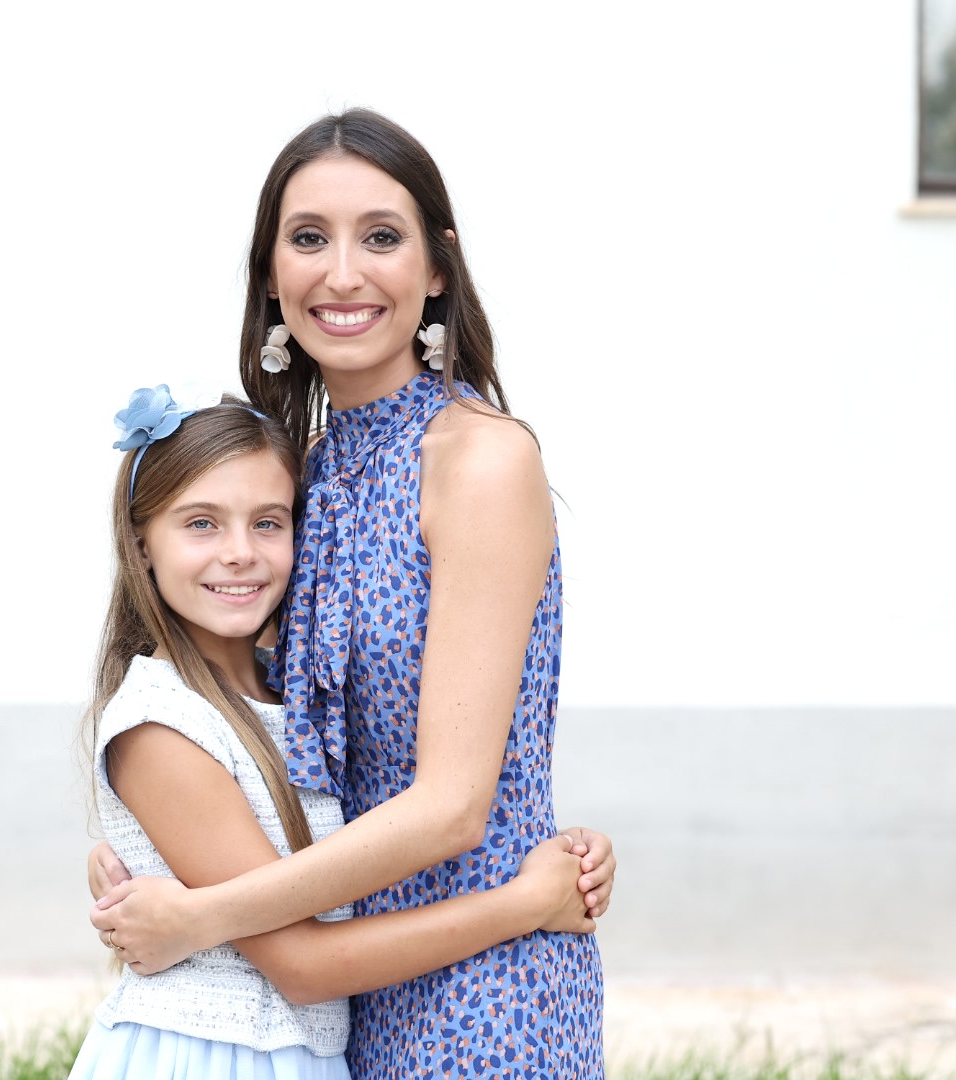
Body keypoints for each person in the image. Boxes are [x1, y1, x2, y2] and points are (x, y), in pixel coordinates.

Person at [90, 109, 610, 1078]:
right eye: (307, 238)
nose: (341, 274)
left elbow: (454, 807)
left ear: (437, 266)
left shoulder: (481, 461)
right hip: (342, 986)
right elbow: (247, 724)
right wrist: (152, 852)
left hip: (485, 982)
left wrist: (200, 914)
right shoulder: (305, 476)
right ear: (270, 273)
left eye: (379, 236)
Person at [71, 387, 597, 1079]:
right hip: (211, 1057)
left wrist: (558, 845)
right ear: (141, 545)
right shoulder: (164, 724)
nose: (239, 553)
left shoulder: (296, 698)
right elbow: (304, 966)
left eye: (268, 522)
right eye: (201, 524)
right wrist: (526, 903)